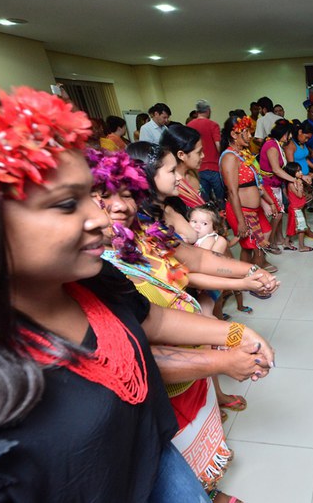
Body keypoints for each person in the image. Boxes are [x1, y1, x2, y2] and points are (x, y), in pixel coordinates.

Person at [0, 87, 273, 502]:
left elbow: (151, 320)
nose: (101, 218)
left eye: (91, 195)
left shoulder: (92, 278)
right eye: (66, 204)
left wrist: (233, 333)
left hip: (158, 462)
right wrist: (221, 357)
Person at [88, 149, 265, 503]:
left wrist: (247, 279)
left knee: (201, 427)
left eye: (126, 193)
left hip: (192, 353)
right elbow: (141, 341)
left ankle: (208, 488)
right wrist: (225, 357)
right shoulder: (93, 267)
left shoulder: (144, 232)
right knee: (178, 442)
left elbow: (192, 263)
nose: (119, 206)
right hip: (167, 375)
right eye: (102, 196)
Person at [219, 113, 277, 276]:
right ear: (233, 134)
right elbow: (232, 192)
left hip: (254, 209)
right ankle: (251, 279)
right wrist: (240, 221)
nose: (250, 135)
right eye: (246, 131)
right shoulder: (229, 157)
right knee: (254, 245)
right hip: (242, 210)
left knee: (264, 235)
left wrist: (268, 201)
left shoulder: (244, 153)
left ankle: (248, 271)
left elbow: (257, 182)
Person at [259, 119, 296, 252]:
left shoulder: (276, 144)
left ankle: (278, 238)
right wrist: (293, 179)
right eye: (289, 133)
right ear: (284, 133)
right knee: (278, 214)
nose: (290, 137)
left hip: (276, 184)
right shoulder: (271, 146)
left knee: (280, 211)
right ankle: (269, 242)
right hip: (268, 184)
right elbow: (276, 169)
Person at [188, 99, 225, 208]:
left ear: (197, 111)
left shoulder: (189, 125)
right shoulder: (213, 125)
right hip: (214, 167)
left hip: (198, 168)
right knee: (220, 199)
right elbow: (218, 145)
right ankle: (223, 221)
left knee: (204, 200)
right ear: (208, 111)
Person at [282, 162, 312, 252]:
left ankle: (286, 243)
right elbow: (299, 195)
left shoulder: (297, 181)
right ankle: (301, 247)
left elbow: (302, 194)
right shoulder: (291, 184)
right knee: (301, 228)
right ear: (291, 173)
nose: (301, 173)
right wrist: (300, 187)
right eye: (298, 171)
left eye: (300, 170)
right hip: (296, 210)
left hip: (298, 208)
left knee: (292, 227)